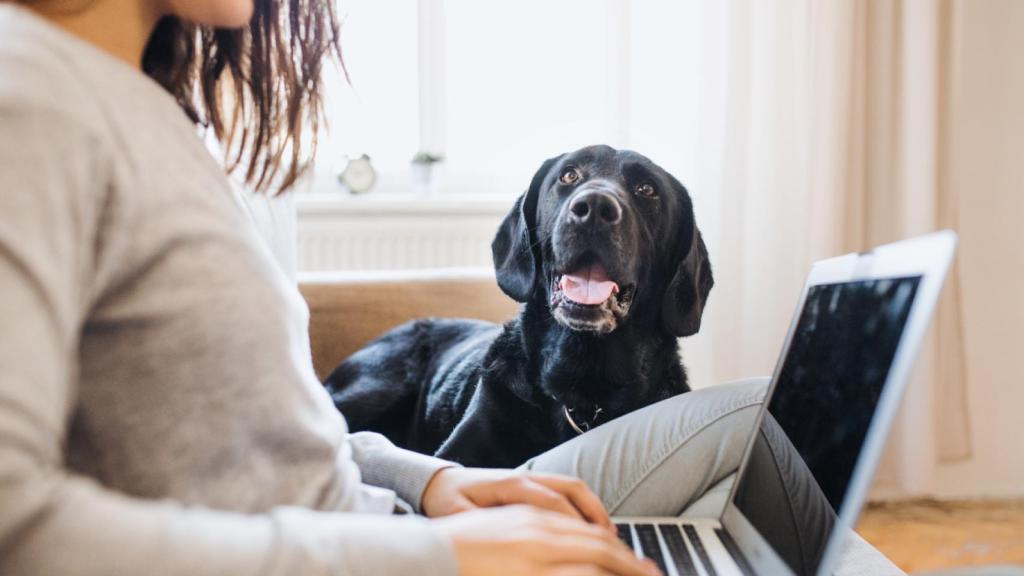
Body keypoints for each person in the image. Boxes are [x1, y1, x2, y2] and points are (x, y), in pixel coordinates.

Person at [0, 1, 896, 575]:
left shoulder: (150, 122)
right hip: (389, 554)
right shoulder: (32, 95)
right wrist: (440, 558)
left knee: (744, 536)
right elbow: (17, 524)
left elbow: (275, 443)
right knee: (760, 422)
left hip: (396, 519)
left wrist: (433, 485)